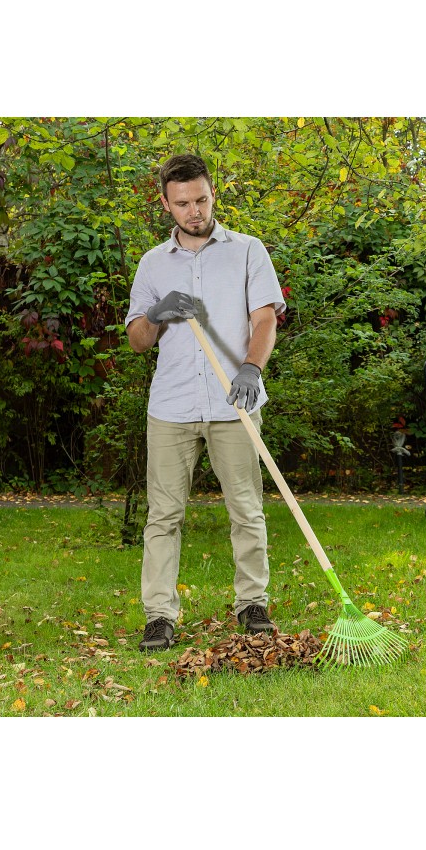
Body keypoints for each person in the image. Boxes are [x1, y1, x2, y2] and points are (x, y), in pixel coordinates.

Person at [125, 153, 286, 652]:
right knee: (164, 515)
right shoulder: (152, 264)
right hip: (171, 407)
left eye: (201, 199)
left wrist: (251, 367)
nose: (194, 211)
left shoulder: (247, 251)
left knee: (246, 507)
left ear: (212, 192)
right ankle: (159, 615)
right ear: (165, 204)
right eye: (182, 203)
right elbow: (137, 340)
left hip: (233, 401)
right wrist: (158, 311)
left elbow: (265, 320)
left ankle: (251, 604)